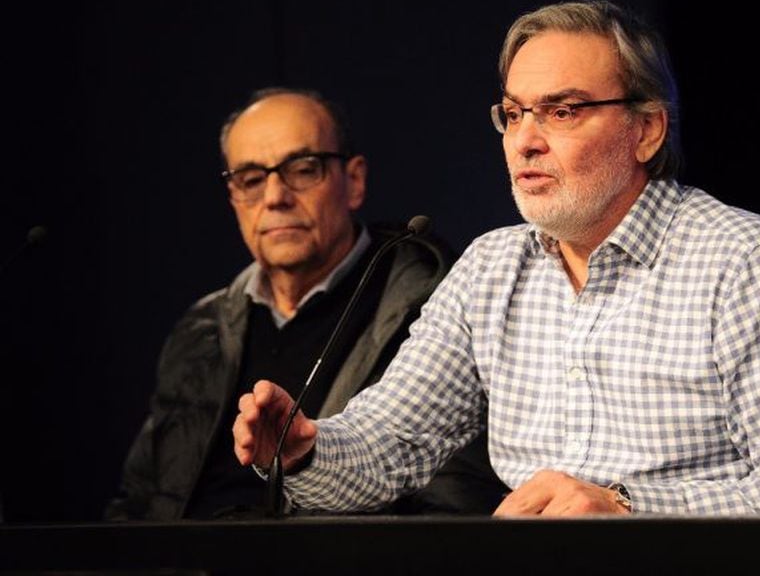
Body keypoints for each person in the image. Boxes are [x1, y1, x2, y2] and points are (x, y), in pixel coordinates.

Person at [233, 2, 760, 516]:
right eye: (513, 114)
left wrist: (627, 508)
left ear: (646, 130)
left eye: (561, 111)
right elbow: (391, 445)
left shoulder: (748, 262)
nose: (527, 141)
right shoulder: (490, 268)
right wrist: (305, 449)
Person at [107, 88, 506, 520]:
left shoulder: (429, 310)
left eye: (302, 169)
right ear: (233, 198)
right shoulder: (201, 327)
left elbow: (450, 509)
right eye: (251, 179)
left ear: (353, 181)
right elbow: (139, 502)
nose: (275, 197)